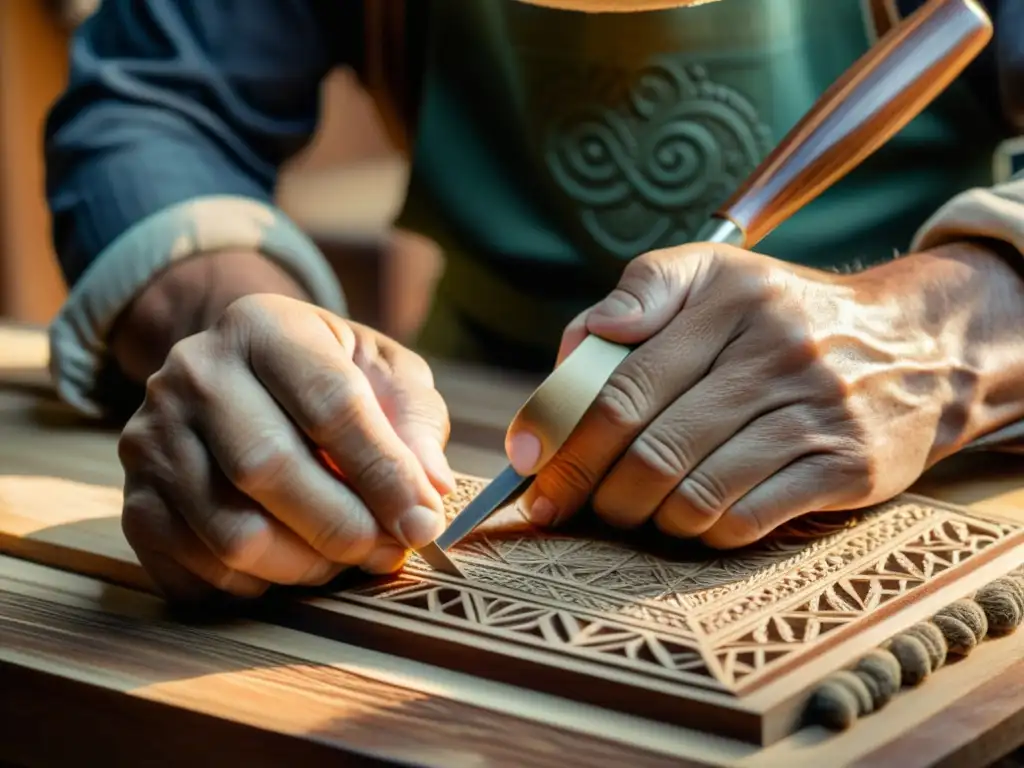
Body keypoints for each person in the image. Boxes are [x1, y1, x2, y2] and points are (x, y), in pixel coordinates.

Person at [43, 0, 1024, 602]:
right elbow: (155, 106)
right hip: (462, 432)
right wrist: (235, 325)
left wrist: (950, 328)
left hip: (931, 474)